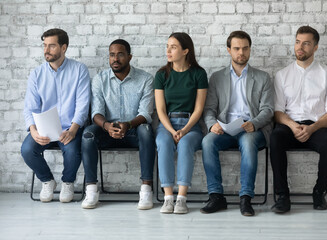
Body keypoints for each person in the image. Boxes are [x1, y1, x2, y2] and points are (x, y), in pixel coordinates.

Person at [201, 31, 274, 216]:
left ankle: (246, 198)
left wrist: (255, 123)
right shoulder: (217, 78)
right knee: (207, 141)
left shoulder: (263, 77)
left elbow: (268, 109)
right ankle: (216, 196)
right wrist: (212, 125)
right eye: (236, 48)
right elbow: (209, 108)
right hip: (225, 128)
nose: (241, 52)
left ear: (250, 50)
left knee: (248, 142)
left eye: (245, 48)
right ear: (229, 50)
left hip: (251, 129)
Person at [270, 26, 327, 213]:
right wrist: (294, 126)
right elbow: (277, 111)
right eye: (297, 42)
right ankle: (282, 196)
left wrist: (312, 128)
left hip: (316, 125)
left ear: (315, 47)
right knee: (275, 138)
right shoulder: (282, 75)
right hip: (289, 124)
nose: (300, 47)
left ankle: (319, 192)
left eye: (306, 43)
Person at [81, 39, 155, 210]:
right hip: (106, 130)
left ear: (129, 57)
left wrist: (128, 125)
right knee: (87, 134)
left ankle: (146, 190)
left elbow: (145, 113)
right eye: (112, 55)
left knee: (146, 130)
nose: (115, 59)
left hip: (134, 130)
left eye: (120, 55)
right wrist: (107, 126)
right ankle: (91, 190)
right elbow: (96, 113)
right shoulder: (100, 79)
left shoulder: (145, 79)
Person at [21, 28, 90, 203]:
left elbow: (83, 104)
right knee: (27, 150)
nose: (46, 50)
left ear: (63, 47)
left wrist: (74, 130)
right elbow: (30, 107)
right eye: (45, 45)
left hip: (69, 127)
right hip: (43, 128)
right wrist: (33, 130)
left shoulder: (79, 70)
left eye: (52, 46)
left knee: (73, 150)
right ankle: (47, 181)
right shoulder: (37, 74)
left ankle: (67, 182)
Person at [154, 32, 208, 214]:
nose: (168, 50)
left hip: (190, 124)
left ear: (186, 50)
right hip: (167, 123)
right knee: (163, 142)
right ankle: (168, 198)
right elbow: (160, 110)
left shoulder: (199, 74)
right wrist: (171, 130)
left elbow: (199, 109)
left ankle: (182, 199)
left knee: (185, 145)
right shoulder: (162, 75)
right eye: (167, 46)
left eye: (174, 47)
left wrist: (184, 130)